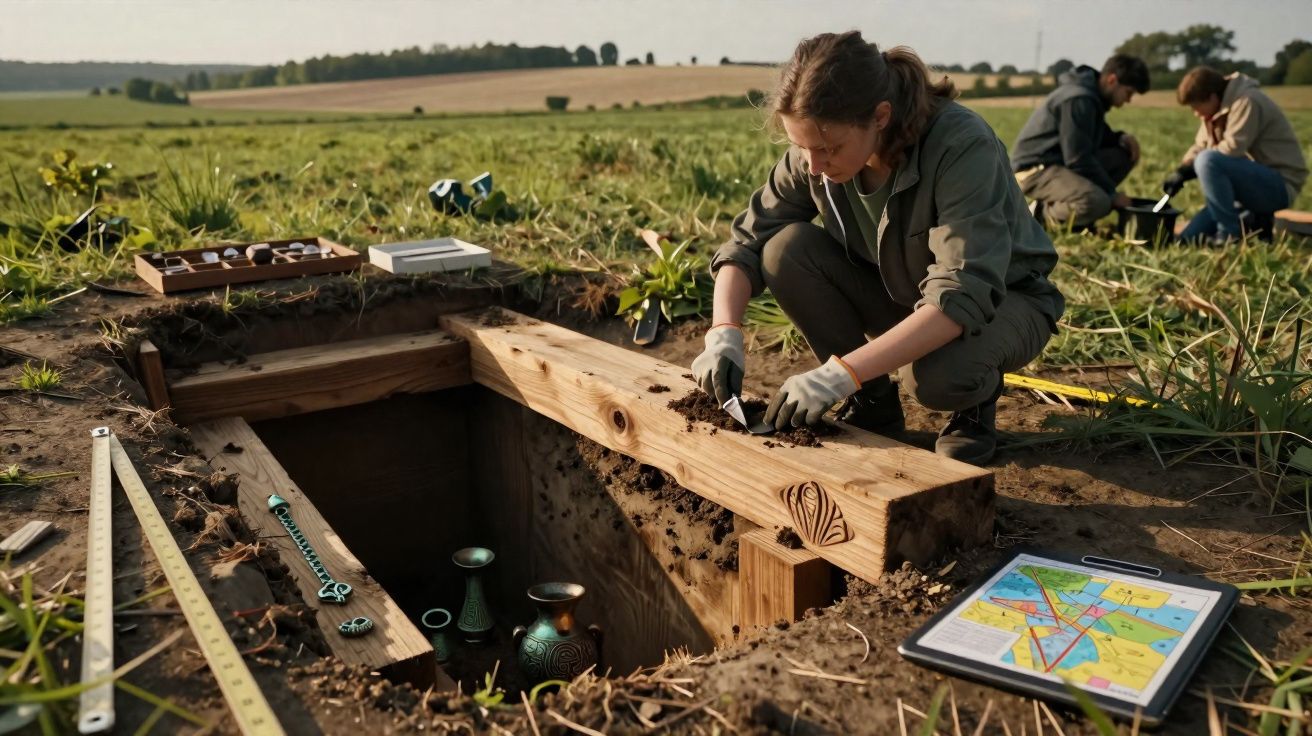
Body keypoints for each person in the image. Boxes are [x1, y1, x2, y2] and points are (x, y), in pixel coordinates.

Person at [690, 31, 1064, 466]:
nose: (813, 166)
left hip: (1004, 301)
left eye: (828, 149)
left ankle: (974, 404)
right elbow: (747, 242)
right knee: (785, 250)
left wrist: (839, 374)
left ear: (880, 117)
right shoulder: (816, 155)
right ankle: (873, 402)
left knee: (936, 378)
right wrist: (723, 333)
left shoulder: (959, 145)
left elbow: (962, 291)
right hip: (905, 295)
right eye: (799, 146)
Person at [1164, 66, 1307, 243]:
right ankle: (1253, 223)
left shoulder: (1247, 101)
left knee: (1207, 160)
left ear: (1212, 97)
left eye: (1196, 107)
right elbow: (1200, 146)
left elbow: (1231, 149)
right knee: (1189, 238)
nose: (1195, 113)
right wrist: (1182, 170)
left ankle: (1229, 235)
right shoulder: (1215, 111)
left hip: (1279, 185)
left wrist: (1193, 168)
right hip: (1246, 190)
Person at [1010, 55, 1150, 229]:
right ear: (1112, 80)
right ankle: (1033, 216)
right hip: (1034, 169)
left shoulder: (1089, 95)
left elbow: (1090, 135)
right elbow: (1078, 159)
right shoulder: (1078, 99)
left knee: (1123, 155)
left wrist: (1121, 138)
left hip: (1058, 163)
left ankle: (1075, 212)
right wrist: (1112, 195)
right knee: (1097, 202)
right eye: (1129, 93)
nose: (1128, 100)